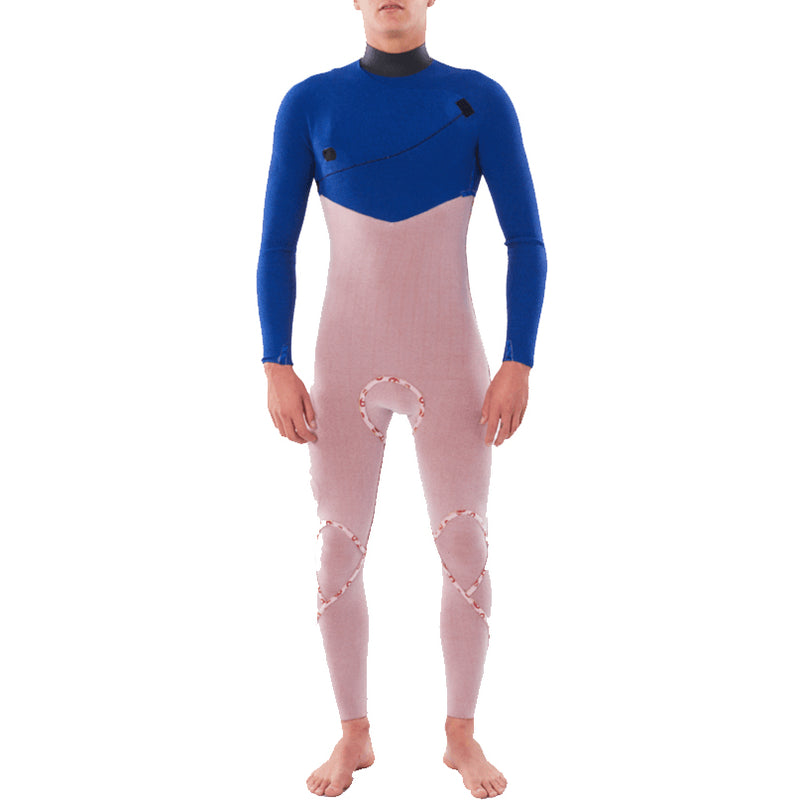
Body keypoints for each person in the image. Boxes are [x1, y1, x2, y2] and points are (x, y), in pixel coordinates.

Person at [256, 1, 547, 796]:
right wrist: (275, 361)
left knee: (465, 546)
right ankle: (353, 734)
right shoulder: (310, 101)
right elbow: (277, 242)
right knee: (336, 549)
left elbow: (525, 240)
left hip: (452, 362)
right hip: (341, 360)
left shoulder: (478, 98)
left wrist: (519, 359)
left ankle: (461, 734)